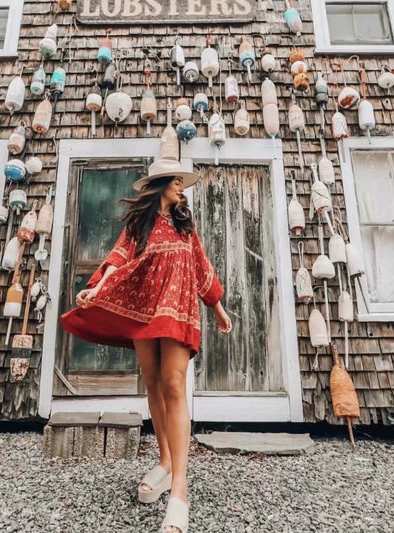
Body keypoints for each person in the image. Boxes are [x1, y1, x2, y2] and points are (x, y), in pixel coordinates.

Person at [61, 158, 232, 533]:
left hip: (178, 311)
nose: (182, 188)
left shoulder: (186, 227)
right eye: (176, 182)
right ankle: (165, 461)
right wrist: (97, 288)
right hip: (143, 310)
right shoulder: (139, 225)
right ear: (161, 185)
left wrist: (217, 308)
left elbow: (201, 267)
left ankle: (179, 491)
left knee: (173, 384)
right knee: (152, 384)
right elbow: (116, 261)